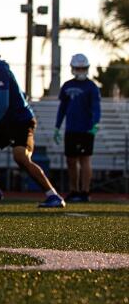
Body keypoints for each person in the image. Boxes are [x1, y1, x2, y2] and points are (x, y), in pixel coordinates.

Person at [0, 35, 64, 208]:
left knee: (21, 157)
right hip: (10, 122)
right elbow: (20, 96)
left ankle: (53, 196)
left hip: (20, 122)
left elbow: (3, 104)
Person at [54, 53, 101, 202]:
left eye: (83, 68)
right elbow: (62, 108)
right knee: (71, 160)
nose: (81, 71)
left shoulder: (92, 87)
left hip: (86, 129)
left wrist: (95, 124)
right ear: (73, 68)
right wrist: (57, 127)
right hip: (71, 129)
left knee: (85, 159)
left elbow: (96, 108)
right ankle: (74, 190)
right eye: (78, 68)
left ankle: (85, 192)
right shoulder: (67, 85)